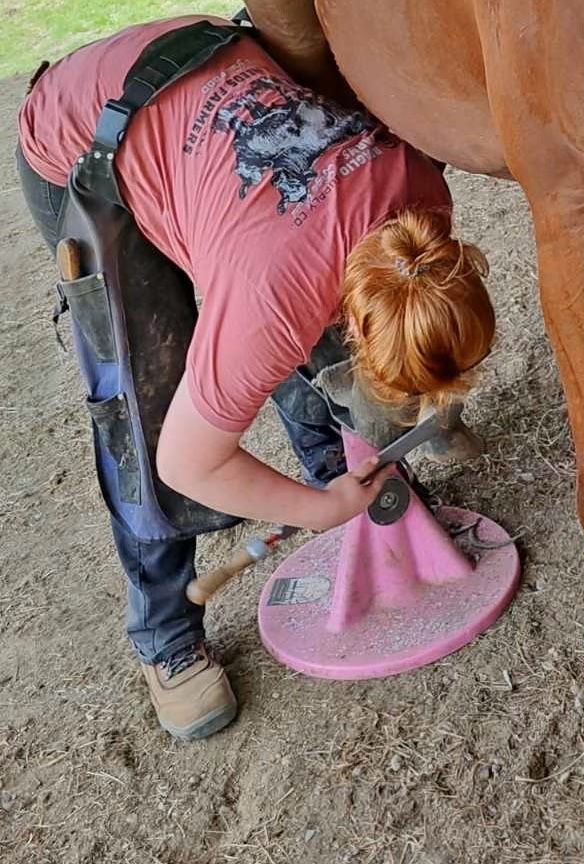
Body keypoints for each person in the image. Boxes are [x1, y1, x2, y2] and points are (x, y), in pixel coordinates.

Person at [16, 15, 496, 740]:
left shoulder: (422, 199)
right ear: (359, 320)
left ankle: (341, 470)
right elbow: (188, 463)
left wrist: (336, 481)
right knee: (142, 403)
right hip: (84, 138)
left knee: (288, 338)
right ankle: (166, 637)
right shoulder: (275, 296)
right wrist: (313, 512)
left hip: (200, 85)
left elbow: (318, 292)